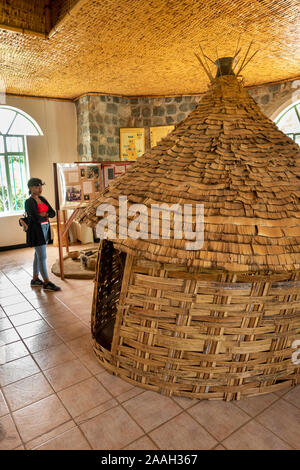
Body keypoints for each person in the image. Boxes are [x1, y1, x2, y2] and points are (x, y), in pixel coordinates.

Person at [24, 177, 61, 292]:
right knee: (42, 257)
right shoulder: (29, 201)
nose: (40, 188)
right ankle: (46, 282)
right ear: (30, 188)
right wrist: (44, 215)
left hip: (45, 228)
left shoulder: (42, 199)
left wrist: (44, 214)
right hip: (36, 230)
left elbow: (53, 212)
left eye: (40, 186)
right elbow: (34, 218)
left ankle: (35, 279)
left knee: (37, 255)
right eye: (36, 186)